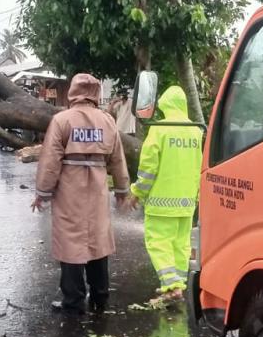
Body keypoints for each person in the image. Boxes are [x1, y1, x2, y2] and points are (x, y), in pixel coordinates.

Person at [32, 73, 131, 314]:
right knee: (97, 240)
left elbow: (50, 162)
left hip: (69, 190)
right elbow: (117, 159)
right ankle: (100, 295)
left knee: (70, 242)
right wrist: (121, 190)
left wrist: (42, 193)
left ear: (73, 92)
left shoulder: (62, 120)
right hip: (97, 190)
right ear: (96, 94)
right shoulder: (107, 121)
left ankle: (73, 300)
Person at [130, 85, 203, 299]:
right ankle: (178, 284)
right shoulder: (196, 131)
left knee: (158, 242)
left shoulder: (160, 129)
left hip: (161, 204)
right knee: (181, 245)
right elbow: (199, 166)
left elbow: (148, 168)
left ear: (165, 105)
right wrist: (197, 196)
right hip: (187, 203)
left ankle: (171, 287)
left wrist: (138, 192)